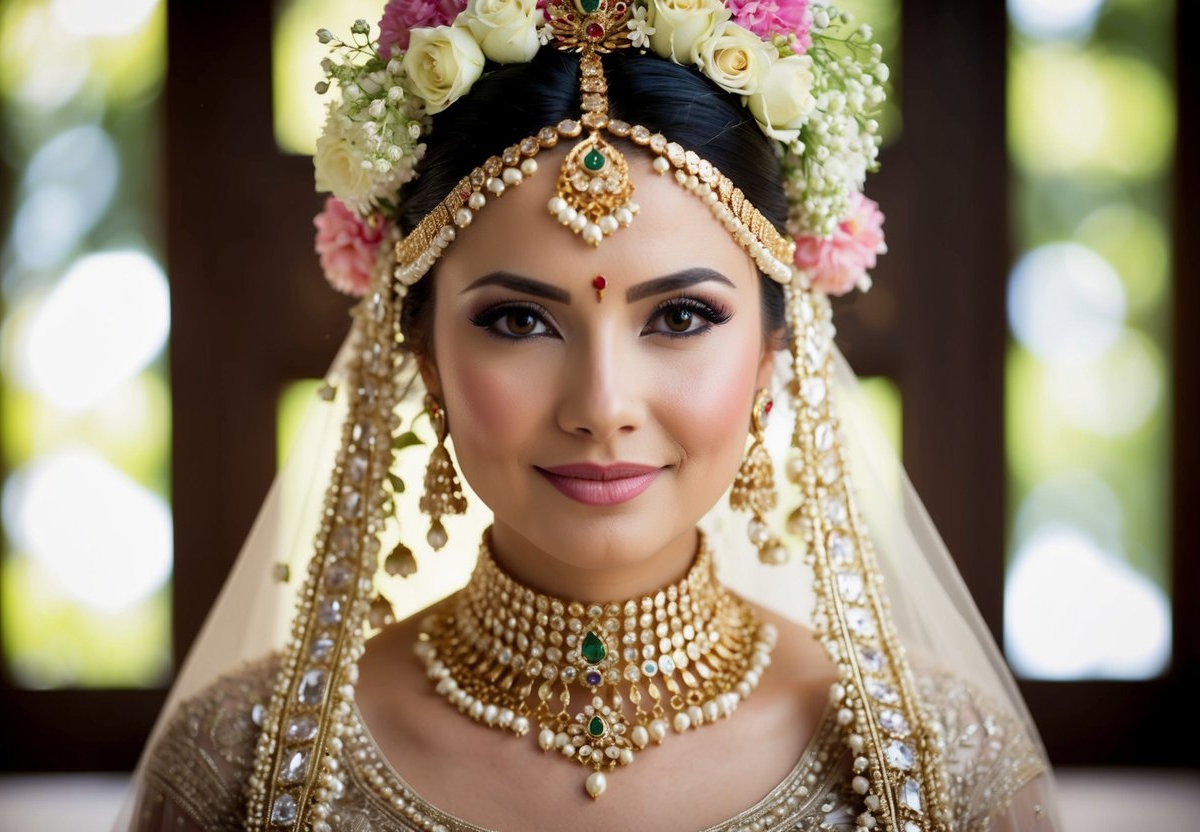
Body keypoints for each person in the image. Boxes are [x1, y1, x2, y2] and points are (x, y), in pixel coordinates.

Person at [118, 1, 1061, 830]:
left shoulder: (947, 777)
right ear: (427, 362)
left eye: (680, 317)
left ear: (775, 356)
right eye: (518, 320)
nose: (602, 407)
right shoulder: (234, 776)